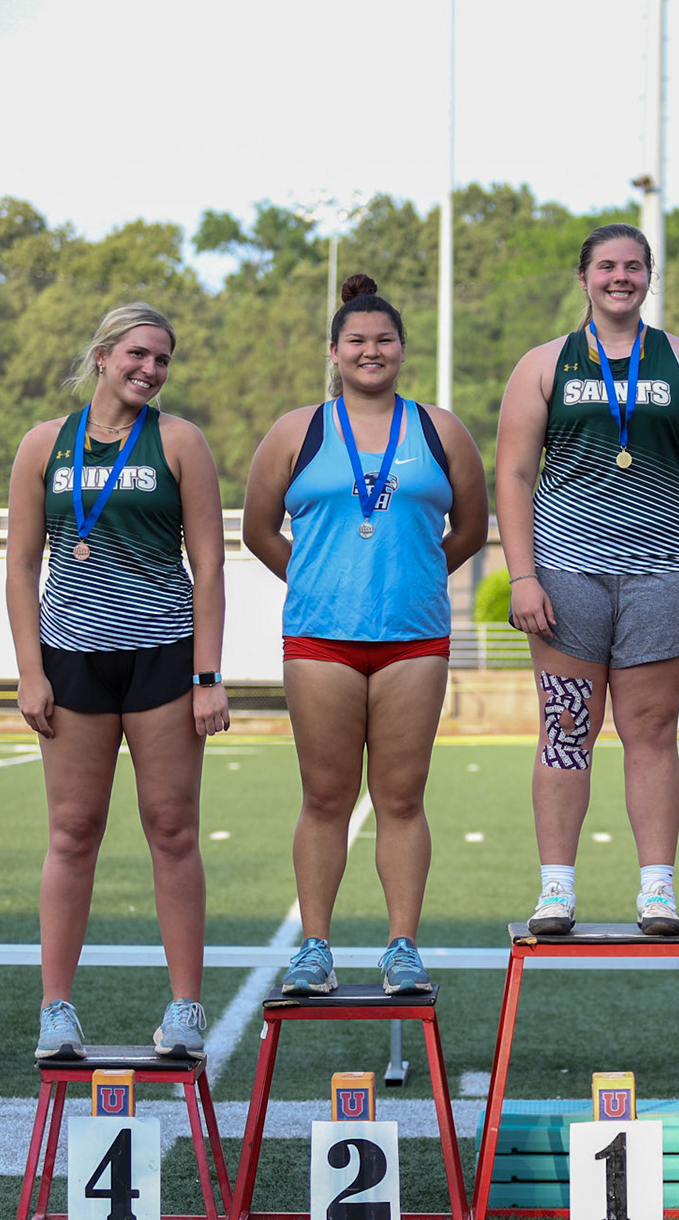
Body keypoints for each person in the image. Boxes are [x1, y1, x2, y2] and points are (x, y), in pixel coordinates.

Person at [243, 275, 488, 996]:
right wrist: (316, 578)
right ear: (334, 352)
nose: (371, 351)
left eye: (384, 340)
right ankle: (314, 948)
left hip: (413, 639)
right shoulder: (298, 430)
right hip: (322, 639)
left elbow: (471, 528)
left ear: (403, 350)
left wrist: (417, 574)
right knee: (324, 798)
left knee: (402, 798)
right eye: (357, 341)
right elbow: (259, 529)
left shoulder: (440, 430)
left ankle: (402, 947)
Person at [495, 223, 679, 936]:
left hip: (666, 574)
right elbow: (511, 474)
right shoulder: (544, 364)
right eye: (607, 266)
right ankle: (556, 889)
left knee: (652, 729)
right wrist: (522, 576)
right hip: (567, 571)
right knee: (566, 728)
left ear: (649, 276)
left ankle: (657, 889)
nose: (620, 278)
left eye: (634, 267)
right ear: (584, 277)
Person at [5, 302, 231, 1061]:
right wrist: (30, 671)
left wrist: (208, 677)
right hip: (71, 659)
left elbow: (210, 568)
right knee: (72, 832)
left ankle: (186, 1009)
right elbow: (19, 566)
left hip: (162, 655)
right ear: (102, 355)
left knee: (172, 831)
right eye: (138, 354)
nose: (150, 369)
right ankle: (56, 1011)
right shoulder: (45, 444)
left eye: (163, 360)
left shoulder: (180, 442)